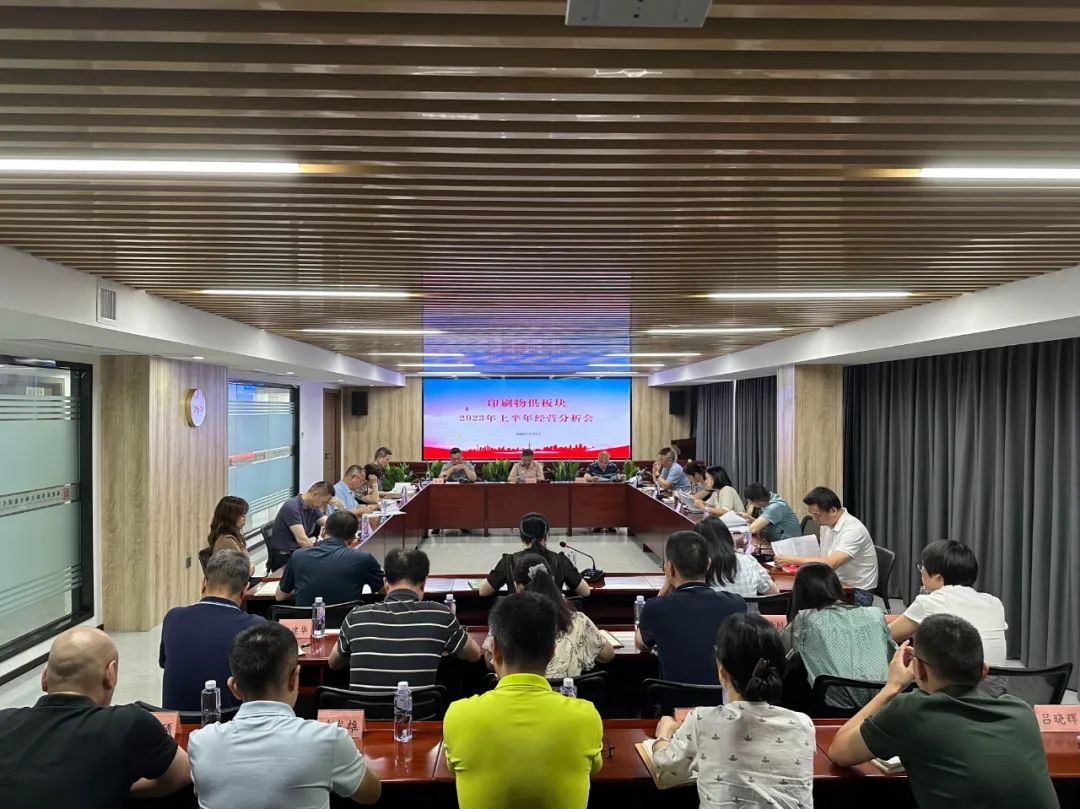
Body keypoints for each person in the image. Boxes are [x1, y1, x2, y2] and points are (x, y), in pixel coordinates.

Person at [828, 615, 1057, 809]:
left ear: (919, 670)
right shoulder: (1021, 712)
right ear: (984, 670)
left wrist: (892, 688)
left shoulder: (912, 710)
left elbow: (839, 751)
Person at [188, 622, 381, 808]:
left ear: (234, 687)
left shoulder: (200, 743)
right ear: (294, 677)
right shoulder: (329, 739)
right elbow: (371, 794)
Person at [443, 593, 604, 809]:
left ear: (495, 650)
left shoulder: (458, 716)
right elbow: (594, 767)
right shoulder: (586, 717)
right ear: (552, 651)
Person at [0, 627, 191, 807]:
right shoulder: (129, 724)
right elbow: (184, 774)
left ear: (44, 677)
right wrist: (117, 787)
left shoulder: (4, 721)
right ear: (110, 674)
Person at [652, 614, 815, 808]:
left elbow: (668, 774)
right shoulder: (803, 724)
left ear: (722, 671)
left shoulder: (702, 721)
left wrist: (663, 737)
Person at [329, 547, 481, 691]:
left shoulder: (356, 616)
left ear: (386, 583)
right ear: (424, 583)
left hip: (362, 710)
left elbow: (333, 663)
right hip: (419, 710)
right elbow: (474, 655)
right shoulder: (440, 615)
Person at [636, 531, 747, 685]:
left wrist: (667, 585)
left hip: (674, 698)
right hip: (722, 697)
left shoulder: (656, 608)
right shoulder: (736, 604)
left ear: (669, 568)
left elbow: (641, 644)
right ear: (708, 564)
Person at [160, 550, 264, 710]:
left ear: (203, 583)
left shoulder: (172, 618)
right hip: (231, 723)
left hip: (178, 723)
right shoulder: (256, 627)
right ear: (244, 590)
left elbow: (164, 663)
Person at [483, 553, 615, 679]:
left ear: (517, 586)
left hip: (517, 694)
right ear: (552, 580)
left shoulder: (505, 618)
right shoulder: (578, 620)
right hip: (565, 694)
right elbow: (608, 655)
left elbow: (489, 661)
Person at [781, 563, 895, 709]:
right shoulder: (875, 614)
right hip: (881, 700)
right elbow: (892, 655)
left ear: (799, 592)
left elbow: (781, 653)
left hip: (831, 704)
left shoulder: (804, 621)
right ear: (836, 586)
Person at [889, 540, 1007, 665]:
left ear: (938, 578)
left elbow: (887, 635)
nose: (921, 571)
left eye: (923, 566)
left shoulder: (928, 602)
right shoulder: (995, 603)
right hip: (996, 677)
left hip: (955, 677)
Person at [773, 487, 879, 607]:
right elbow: (824, 559)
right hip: (833, 583)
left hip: (856, 592)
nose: (814, 519)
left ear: (833, 510)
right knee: (795, 597)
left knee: (801, 603)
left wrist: (791, 559)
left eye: (817, 515)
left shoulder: (853, 530)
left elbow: (831, 563)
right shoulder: (826, 524)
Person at [275, 510, 385, 607]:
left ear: (323, 531)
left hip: (308, 622)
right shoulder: (363, 559)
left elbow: (280, 596)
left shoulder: (298, 556)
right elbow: (385, 589)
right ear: (353, 538)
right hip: (348, 622)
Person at [478, 512, 591, 598]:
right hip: (552, 619)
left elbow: (483, 591)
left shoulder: (508, 561)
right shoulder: (560, 560)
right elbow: (585, 591)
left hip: (518, 620)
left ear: (522, 538)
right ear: (547, 535)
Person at [694, 516, 778, 598]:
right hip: (747, 608)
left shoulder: (697, 566)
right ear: (728, 537)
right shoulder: (749, 561)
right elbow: (774, 593)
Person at [268, 481, 336, 556]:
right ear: (315, 494)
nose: (322, 505)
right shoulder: (292, 506)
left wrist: (341, 510)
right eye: (323, 502)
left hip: (298, 550)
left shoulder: (312, 506)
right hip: (286, 555)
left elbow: (329, 523)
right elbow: (302, 541)